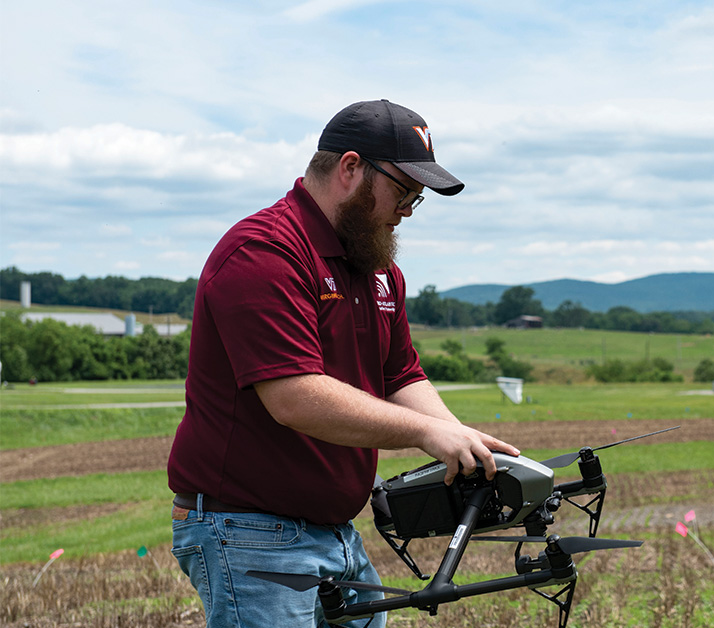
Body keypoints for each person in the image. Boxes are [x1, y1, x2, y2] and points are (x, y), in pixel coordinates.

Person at [167, 99, 520, 627]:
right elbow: (295, 396)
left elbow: (400, 374)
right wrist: (427, 434)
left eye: (416, 199)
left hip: (335, 530)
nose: (406, 208)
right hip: (247, 529)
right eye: (402, 191)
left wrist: (464, 443)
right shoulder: (264, 252)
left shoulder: (376, 268)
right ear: (351, 169)